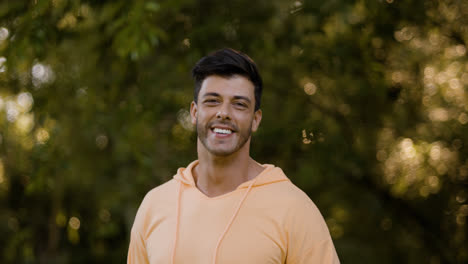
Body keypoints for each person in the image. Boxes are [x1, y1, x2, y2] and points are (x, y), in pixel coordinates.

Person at [127, 48, 340, 264]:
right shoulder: (155, 205)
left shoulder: (293, 209)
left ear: (255, 119)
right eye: (212, 101)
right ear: (194, 112)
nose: (224, 112)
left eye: (239, 104)